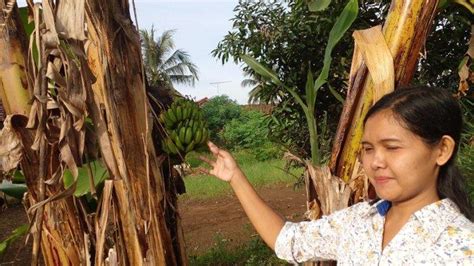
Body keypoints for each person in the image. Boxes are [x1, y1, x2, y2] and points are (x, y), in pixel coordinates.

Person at [199, 85, 474, 264]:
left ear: (442, 150)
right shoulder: (359, 221)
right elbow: (288, 241)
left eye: (392, 147)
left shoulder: (462, 247)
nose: (376, 162)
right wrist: (235, 175)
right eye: (367, 149)